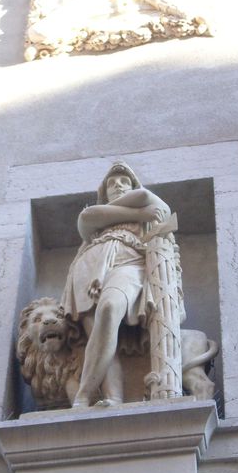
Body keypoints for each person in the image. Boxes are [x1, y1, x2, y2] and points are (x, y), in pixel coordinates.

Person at [61, 162, 170, 407]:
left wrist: (109, 214)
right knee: (98, 334)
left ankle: (84, 393)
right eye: (111, 183)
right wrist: (139, 214)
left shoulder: (140, 204)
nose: (118, 185)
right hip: (88, 270)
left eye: (124, 182)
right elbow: (87, 217)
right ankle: (113, 397)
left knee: (109, 309)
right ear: (104, 192)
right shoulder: (101, 217)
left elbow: (146, 197)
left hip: (129, 263)